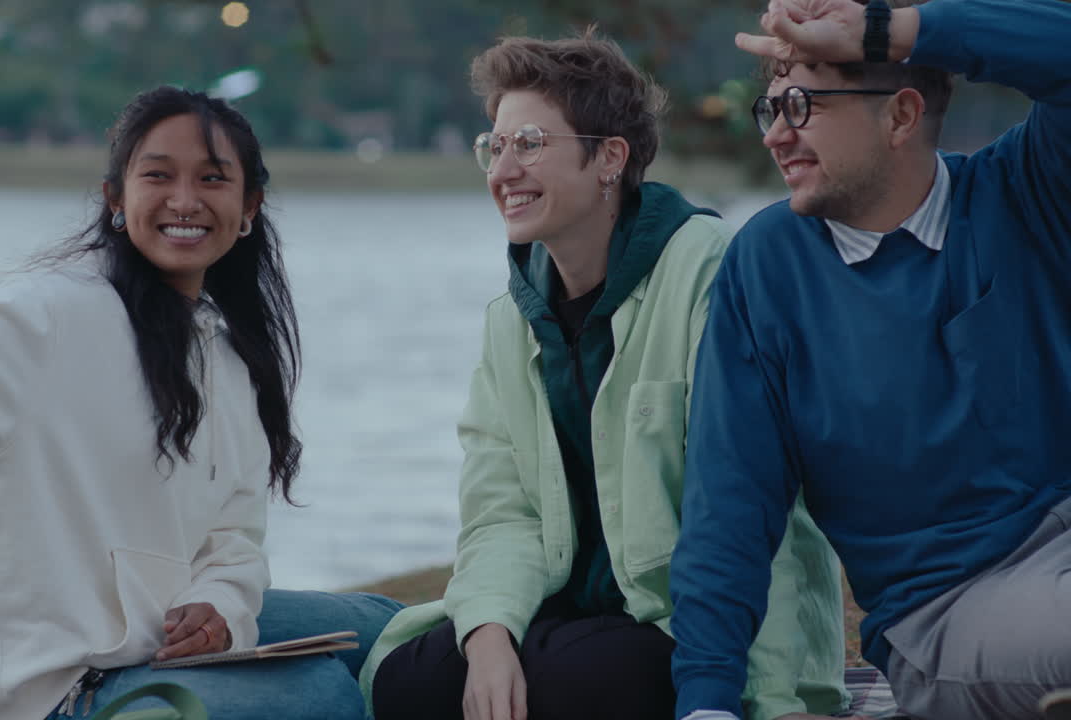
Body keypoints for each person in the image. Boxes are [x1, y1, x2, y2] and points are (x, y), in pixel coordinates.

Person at [0, 86, 400, 720]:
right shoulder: (47, 315)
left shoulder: (224, 351)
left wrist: (220, 604)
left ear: (248, 207)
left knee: (391, 630)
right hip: (61, 687)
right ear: (116, 199)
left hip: (159, 639)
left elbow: (234, 533)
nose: (185, 201)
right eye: (158, 176)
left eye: (212, 179)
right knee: (319, 694)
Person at [360, 30, 847, 720]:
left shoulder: (707, 273)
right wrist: (492, 634)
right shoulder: (512, 317)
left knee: (583, 685)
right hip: (568, 613)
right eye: (493, 148)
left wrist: (773, 702)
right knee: (411, 681)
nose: (504, 170)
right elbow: (501, 510)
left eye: (529, 144)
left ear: (610, 159)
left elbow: (747, 509)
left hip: (691, 628)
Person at [667, 1, 1071, 719]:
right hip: (950, 607)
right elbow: (728, 504)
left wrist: (890, 29)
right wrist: (707, 701)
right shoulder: (768, 269)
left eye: (802, 104)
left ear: (901, 116)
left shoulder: (1024, 192)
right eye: (770, 107)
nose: (776, 135)